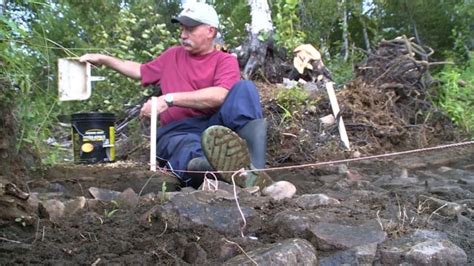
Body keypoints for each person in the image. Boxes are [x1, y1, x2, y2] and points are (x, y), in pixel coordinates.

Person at [79, 2, 272, 189]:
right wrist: (104, 60)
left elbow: (220, 95)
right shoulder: (172, 56)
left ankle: (255, 171)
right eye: (182, 29)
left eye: (190, 29)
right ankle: (216, 172)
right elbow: (140, 70)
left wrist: (168, 99)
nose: (183, 35)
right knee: (186, 146)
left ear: (210, 31)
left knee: (245, 88)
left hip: (216, 127)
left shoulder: (225, 60)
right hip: (178, 131)